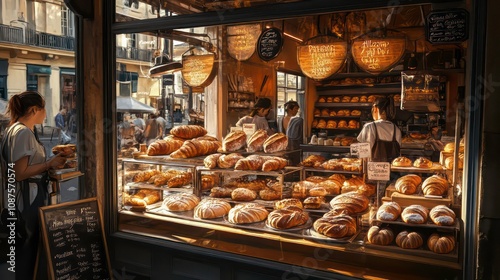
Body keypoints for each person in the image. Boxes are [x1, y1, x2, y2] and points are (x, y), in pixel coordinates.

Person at [0, 91, 67, 279]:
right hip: (26, 202)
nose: (45, 112)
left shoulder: (13, 129)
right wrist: (49, 164)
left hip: (16, 200)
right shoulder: (22, 132)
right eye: (43, 108)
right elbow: (19, 173)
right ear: (34, 109)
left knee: (23, 252)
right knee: (27, 253)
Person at [357, 96, 402, 162]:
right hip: (392, 170)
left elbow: (362, 154)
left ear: (375, 108)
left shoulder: (370, 127)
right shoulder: (396, 129)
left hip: (373, 170)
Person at [278, 101, 303, 165]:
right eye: (295, 109)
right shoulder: (298, 120)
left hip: (292, 147)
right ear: (289, 109)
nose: (297, 111)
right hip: (290, 147)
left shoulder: (280, 119)